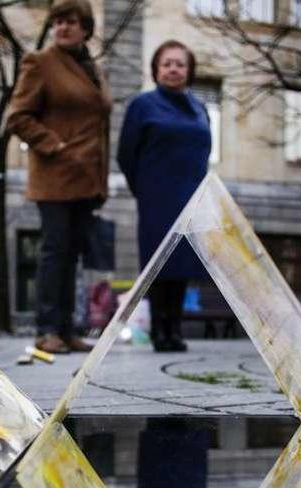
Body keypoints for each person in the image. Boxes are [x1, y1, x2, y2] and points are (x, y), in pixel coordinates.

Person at [6, 0, 111, 354]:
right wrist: (56, 146)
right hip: (55, 176)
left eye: (71, 22)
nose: (63, 28)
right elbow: (17, 117)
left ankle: (67, 330)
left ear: (85, 28)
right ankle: (46, 329)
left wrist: (99, 177)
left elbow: (99, 124)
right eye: (58, 22)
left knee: (71, 254)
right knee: (54, 252)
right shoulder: (40, 62)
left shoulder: (91, 67)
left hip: (87, 179)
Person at [117, 40, 211, 352]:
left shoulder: (200, 108)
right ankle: (160, 329)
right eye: (167, 63)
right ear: (156, 69)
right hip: (157, 196)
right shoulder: (143, 105)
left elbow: (205, 149)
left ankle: (175, 328)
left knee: (183, 264)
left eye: (180, 64)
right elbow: (125, 154)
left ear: (189, 70)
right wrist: (143, 187)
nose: (173, 69)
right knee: (160, 264)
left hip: (191, 196)